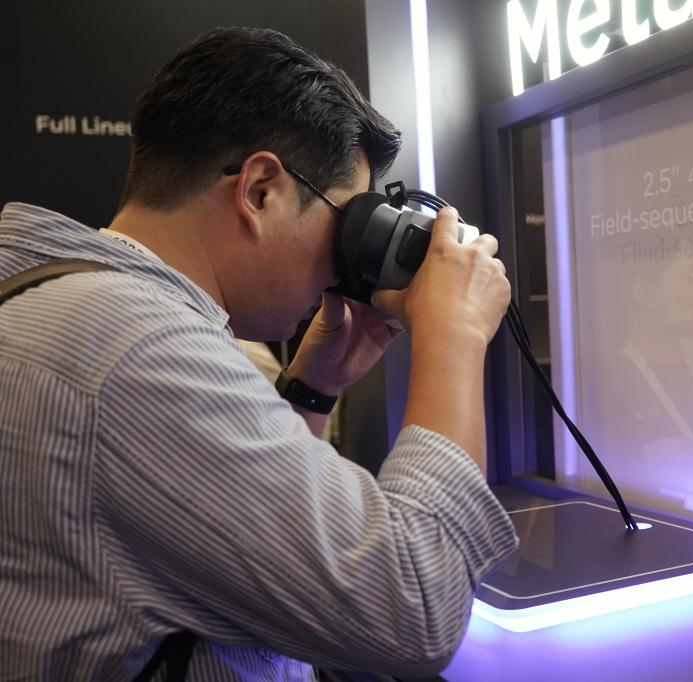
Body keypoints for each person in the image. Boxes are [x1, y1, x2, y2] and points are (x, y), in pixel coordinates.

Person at [0, 26, 517, 680]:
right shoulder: (137, 351)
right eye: (344, 224)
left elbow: (227, 537)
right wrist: (455, 334)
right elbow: (414, 606)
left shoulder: (53, 295)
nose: (340, 268)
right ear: (260, 191)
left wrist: (312, 387)